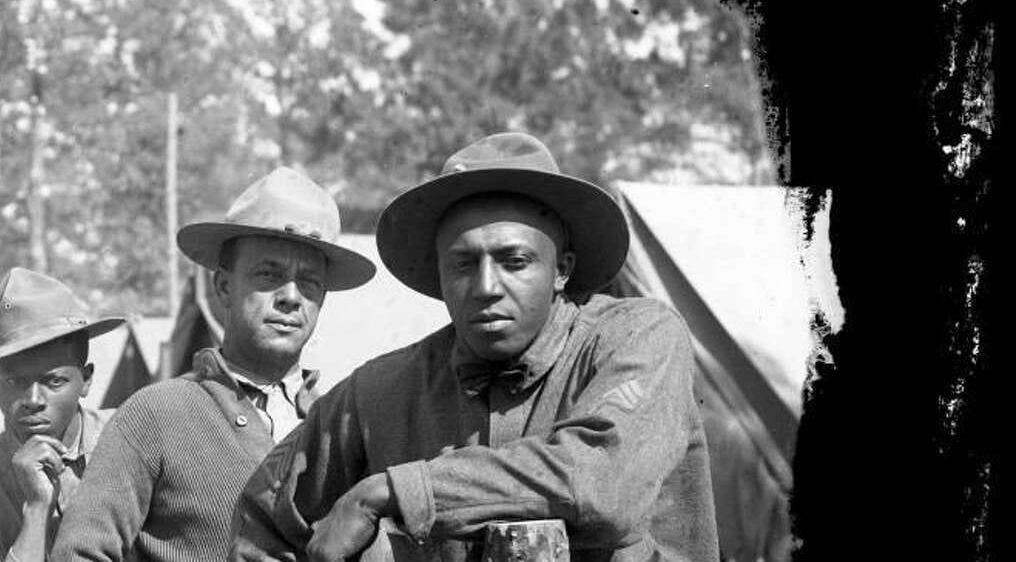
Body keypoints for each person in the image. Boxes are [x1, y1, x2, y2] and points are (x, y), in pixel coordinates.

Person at [229, 132, 720, 562]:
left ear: (562, 269)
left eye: (514, 260)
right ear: (440, 278)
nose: (486, 285)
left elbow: (603, 486)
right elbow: (266, 512)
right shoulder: (382, 391)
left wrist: (393, 491)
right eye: (463, 265)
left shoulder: (637, 336)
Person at [50, 167, 376, 562]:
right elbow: (79, 554)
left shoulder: (340, 424)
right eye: (268, 275)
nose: (291, 296)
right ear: (224, 286)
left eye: (309, 282)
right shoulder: (155, 415)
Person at [0, 268, 126, 562]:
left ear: (86, 380)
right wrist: (36, 509)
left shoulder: (131, 442)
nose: (33, 400)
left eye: (54, 381)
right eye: (15, 382)